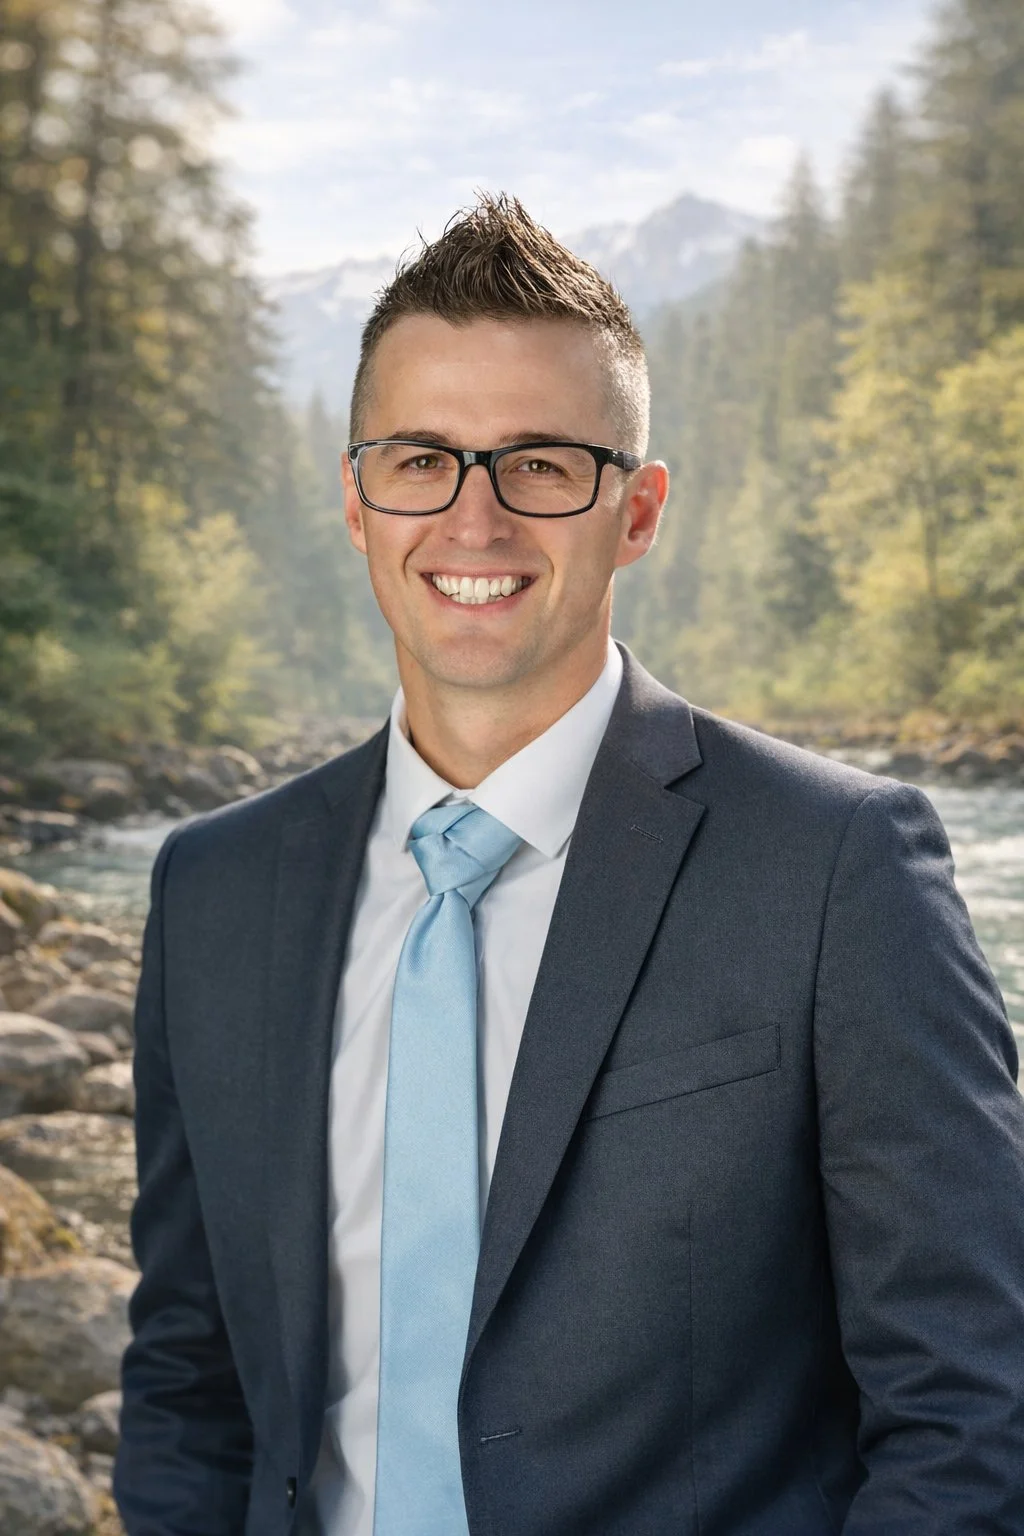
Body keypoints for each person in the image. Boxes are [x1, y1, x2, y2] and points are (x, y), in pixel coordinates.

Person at [114, 194, 1024, 1536]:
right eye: (421, 459)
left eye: (541, 464)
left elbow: (970, 1407)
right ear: (358, 502)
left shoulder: (840, 868)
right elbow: (190, 1377)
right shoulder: (213, 891)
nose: (473, 521)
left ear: (638, 509)